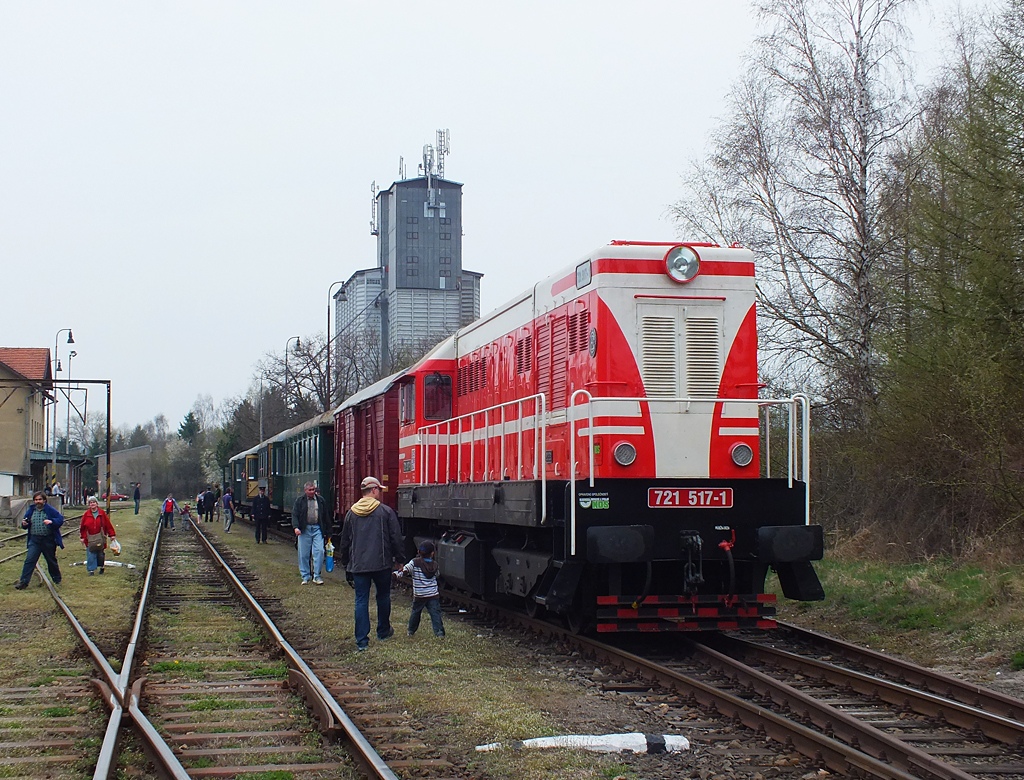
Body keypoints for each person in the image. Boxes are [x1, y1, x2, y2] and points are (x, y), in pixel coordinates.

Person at [339, 476, 405, 651]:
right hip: (381, 564)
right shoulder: (385, 512)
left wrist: (346, 563)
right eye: (379, 490)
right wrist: (399, 560)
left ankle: (362, 641)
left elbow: (345, 542)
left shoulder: (351, 513)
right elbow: (396, 538)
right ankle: (383, 631)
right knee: (383, 596)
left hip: (359, 565)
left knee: (361, 600)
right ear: (374, 490)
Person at [395, 540, 445, 638]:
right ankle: (439, 633)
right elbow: (437, 575)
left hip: (420, 595)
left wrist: (397, 574)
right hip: (433, 594)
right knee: (435, 614)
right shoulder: (435, 564)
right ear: (432, 553)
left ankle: (411, 631)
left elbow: (405, 570)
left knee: (416, 613)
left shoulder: (415, 562)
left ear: (418, 552)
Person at [15, 491, 65, 589]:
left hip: (48, 540)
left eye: (40, 499)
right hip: (35, 540)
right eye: (36, 500)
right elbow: (25, 523)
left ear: (44, 500)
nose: (38, 501)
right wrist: (24, 524)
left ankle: (56, 579)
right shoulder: (31, 510)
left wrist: (51, 521)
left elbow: (60, 519)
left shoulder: (50, 510)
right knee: (29, 560)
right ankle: (23, 582)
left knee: (51, 560)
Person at [291, 481, 331, 586]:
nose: (312, 491)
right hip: (305, 529)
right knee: (303, 554)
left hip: (317, 528)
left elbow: (326, 516)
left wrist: (328, 532)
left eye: (313, 489)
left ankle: (317, 576)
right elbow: (295, 514)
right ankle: (305, 576)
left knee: (319, 551)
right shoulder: (300, 501)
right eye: (310, 490)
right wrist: (296, 527)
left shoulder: (320, 500)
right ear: (305, 491)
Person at [80, 496, 116, 575]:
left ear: (97, 503)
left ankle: (101, 567)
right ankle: (91, 570)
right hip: (89, 538)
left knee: (100, 553)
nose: (92, 504)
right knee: (90, 553)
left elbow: (108, 525)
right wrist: (82, 537)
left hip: (100, 537)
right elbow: (82, 527)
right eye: (90, 503)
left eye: (94, 502)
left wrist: (112, 534)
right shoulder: (86, 514)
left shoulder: (102, 513)